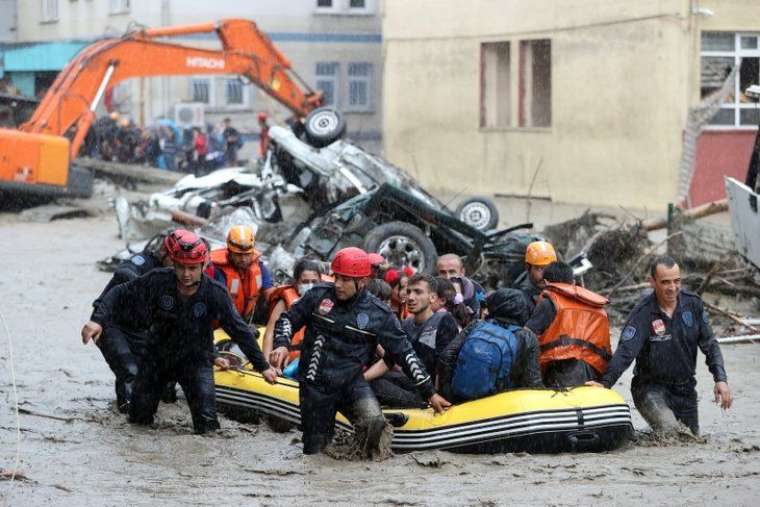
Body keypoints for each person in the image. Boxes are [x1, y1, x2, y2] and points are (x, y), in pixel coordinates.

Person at [81, 229, 279, 434]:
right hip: (156, 358)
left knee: (208, 427)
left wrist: (262, 365)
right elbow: (118, 292)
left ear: (204, 265)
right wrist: (97, 321)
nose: (186, 274)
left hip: (195, 360)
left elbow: (239, 331)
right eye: (181, 267)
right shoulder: (158, 279)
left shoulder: (215, 293)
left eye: (192, 268)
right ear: (173, 264)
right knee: (138, 422)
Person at [269, 247, 450, 456]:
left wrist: (430, 392)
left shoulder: (378, 313)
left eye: (345, 279)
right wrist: (281, 344)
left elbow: (404, 353)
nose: (337, 284)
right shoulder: (318, 295)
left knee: (373, 422)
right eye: (336, 277)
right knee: (315, 452)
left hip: (351, 383)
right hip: (315, 385)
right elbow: (287, 320)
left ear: (362, 281)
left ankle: (361, 471)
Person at [586, 256, 732, 436]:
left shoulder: (693, 305)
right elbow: (625, 353)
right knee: (670, 432)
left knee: (690, 440)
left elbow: (710, 345)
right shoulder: (642, 313)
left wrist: (721, 379)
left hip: (685, 390)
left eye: (676, 281)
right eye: (665, 282)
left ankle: (640, 437)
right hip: (650, 389)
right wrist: (604, 384)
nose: (672, 288)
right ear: (652, 282)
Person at [88, 232, 174, 412]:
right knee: (128, 369)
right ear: (165, 254)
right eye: (176, 262)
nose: (181, 269)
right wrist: (144, 286)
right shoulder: (143, 262)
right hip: (110, 323)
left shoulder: (184, 278)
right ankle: (128, 420)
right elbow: (122, 271)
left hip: (140, 329)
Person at [368, 274, 459, 408]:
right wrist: (359, 379)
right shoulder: (406, 324)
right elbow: (388, 360)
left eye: (418, 292)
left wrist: (439, 399)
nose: (410, 297)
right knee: (365, 382)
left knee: (375, 386)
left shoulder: (444, 321)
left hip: (430, 395)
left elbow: (445, 366)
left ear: (432, 297)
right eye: (409, 291)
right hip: (411, 385)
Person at [438, 288, 543, 402]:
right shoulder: (527, 338)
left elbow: (446, 356)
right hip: (499, 406)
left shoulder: (477, 325)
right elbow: (533, 382)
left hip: (461, 400)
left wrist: (448, 395)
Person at [525, 261, 611, 387]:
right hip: (594, 373)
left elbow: (526, 337)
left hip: (557, 372)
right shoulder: (599, 309)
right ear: (573, 283)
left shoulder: (549, 304)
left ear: (546, 282)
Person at [207, 225, 273, 322]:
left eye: (247, 254)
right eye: (238, 255)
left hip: (245, 319)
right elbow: (221, 305)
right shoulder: (218, 270)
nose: (243, 259)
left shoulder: (259, 266)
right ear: (229, 252)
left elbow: (270, 292)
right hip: (221, 323)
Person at [262, 258, 323, 359]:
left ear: (320, 282)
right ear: (296, 282)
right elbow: (269, 333)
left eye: (314, 282)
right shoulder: (284, 302)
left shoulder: (327, 301)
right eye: (305, 282)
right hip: (287, 356)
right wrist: (266, 364)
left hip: (312, 360)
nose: (310, 285)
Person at [512, 240, 557, 313]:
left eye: (548, 268)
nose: (544, 274)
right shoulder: (521, 297)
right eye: (539, 269)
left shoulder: (560, 285)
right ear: (528, 267)